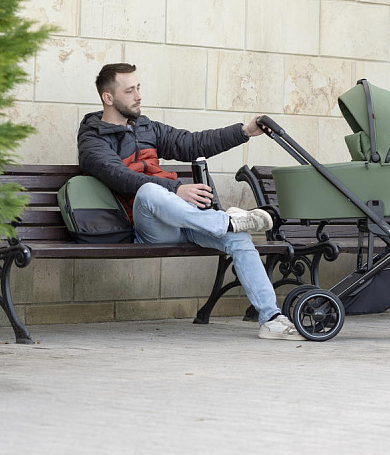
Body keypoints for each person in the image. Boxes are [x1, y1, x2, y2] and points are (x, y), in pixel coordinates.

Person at [77, 62, 303, 341]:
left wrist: (244, 131)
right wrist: (176, 189)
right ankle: (225, 221)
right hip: (147, 227)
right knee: (148, 192)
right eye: (130, 90)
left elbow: (193, 143)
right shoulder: (92, 138)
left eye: (138, 88)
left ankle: (271, 318)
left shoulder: (146, 128)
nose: (138, 96)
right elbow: (119, 176)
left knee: (239, 239)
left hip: (186, 220)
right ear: (108, 98)